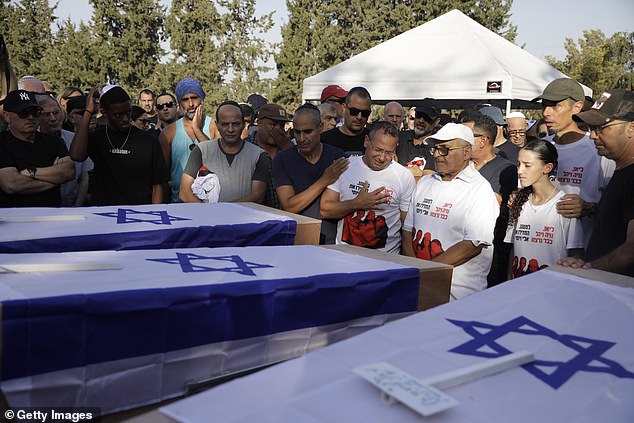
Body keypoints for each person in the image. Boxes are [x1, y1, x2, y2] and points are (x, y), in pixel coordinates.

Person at [402, 123, 499, 300]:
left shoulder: (480, 190)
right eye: (435, 149)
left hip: (458, 296)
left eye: (445, 149)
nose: (438, 155)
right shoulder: (425, 182)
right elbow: (408, 230)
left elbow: (472, 246)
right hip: (419, 285)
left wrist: (426, 270)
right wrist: (414, 268)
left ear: (467, 152)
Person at [558, 89, 634, 276]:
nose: (592, 136)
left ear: (631, 128)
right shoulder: (621, 171)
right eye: (591, 129)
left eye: (601, 128)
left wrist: (589, 269)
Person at [533, 77, 615, 246]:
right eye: (544, 106)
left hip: (581, 257)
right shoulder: (538, 148)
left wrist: (588, 208)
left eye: (555, 106)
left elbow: (617, 207)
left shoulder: (599, 150)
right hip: (539, 251)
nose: (546, 113)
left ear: (577, 107)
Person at [320, 121, 416, 253]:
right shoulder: (345, 166)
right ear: (366, 141)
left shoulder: (404, 176)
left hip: (385, 262)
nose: (382, 157)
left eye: (389, 153)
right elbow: (325, 210)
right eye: (377, 150)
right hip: (345, 257)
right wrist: (356, 204)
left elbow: (407, 226)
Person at [70, 85, 168, 205]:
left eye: (128, 113)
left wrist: (154, 214)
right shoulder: (97, 138)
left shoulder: (148, 141)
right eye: (118, 115)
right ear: (104, 113)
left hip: (139, 213)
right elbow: (76, 155)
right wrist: (88, 112)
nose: (126, 119)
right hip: (104, 213)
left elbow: (158, 184)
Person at [506, 140, 583, 278]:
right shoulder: (518, 202)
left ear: (547, 168)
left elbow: (575, 255)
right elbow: (514, 249)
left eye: (527, 165)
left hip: (552, 289)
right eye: (519, 164)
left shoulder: (565, 205)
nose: (520, 170)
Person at [273, 104, 348, 244]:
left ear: (320, 127)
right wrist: (324, 180)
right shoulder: (283, 159)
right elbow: (289, 206)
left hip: (332, 243)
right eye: (297, 132)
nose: (301, 138)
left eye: (307, 132)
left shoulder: (338, 157)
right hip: (294, 241)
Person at [462, 113, 517, 286]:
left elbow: (491, 203)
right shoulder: (464, 166)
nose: (461, 141)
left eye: (467, 136)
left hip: (489, 252)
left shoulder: (505, 169)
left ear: (483, 140)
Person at [180, 101, 270, 204]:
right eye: (225, 124)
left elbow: (257, 196)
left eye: (235, 124)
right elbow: (184, 192)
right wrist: (208, 213)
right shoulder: (201, 150)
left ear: (243, 125)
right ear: (217, 125)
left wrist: (223, 211)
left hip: (244, 218)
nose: (230, 129)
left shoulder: (258, 156)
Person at [0, 89, 74, 207]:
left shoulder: (54, 142)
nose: (30, 117)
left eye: (35, 112)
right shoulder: (2, 143)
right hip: (14, 218)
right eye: (23, 113)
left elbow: (69, 172)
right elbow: (11, 184)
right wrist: (55, 179)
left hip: (52, 216)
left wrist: (30, 172)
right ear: (7, 116)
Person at [158, 78, 216, 203]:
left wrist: (197, 129)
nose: (191, 104)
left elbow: (216, 160)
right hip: (178, 203)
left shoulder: (214, 126)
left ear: (202, 100)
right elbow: (162, 176)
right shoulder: (169, 132)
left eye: (194, 98)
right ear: (179, 104)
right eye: (185, 99)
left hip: (210, 202)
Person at [37, 94, 92, 207]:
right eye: (46, 115)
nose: (53, 118)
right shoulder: (31, 140)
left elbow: (84, 178)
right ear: (37, 117)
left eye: (56, 113)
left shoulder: (75, 140)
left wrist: (77, 207)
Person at [248, 103, 293, 208]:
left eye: (281, 126)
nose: (278, 130)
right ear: (259, 124)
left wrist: (286, 149)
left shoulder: (290, 148)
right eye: (272, 124)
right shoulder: (247, 146)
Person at [321, 86, 371, 156]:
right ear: (344, 108)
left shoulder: (374, 139)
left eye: (365, 113)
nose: (359, 117)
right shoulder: (324, 140)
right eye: (354, 111)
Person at [395, 105, 439, 178]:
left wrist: (398, 171)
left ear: (436, 121)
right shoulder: (399, 137)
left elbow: (427, 180)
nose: (421, 120)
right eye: (418, 115)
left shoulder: (437, 145)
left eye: (427, 118)